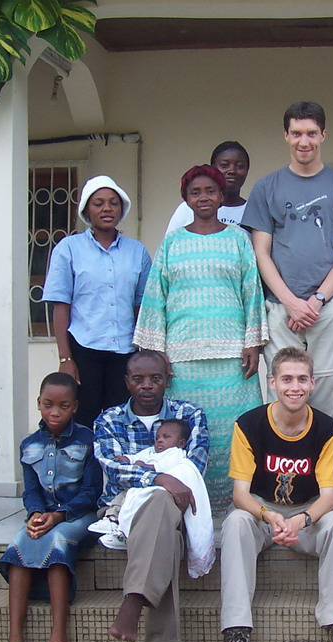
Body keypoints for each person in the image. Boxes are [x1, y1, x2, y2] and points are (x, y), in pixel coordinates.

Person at [219, 347, 333, 642]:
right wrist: (269, 516)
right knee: (235, 523)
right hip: (261, 513)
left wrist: (301, 520)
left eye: (302, 379)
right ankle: (236, 635)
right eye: (286, 379)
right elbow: (240, 494)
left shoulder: (326, 428)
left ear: (313, 383)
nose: (294, 387)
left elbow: (329, 497)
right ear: (272, 382)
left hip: (306, 515)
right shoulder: (249, 424)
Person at [134, 165, 267, 514]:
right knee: (186, 433)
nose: (204, 197)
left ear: (222, 196)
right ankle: (191, 498)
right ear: (186, 199)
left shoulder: (238, 239)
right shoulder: (172, 244)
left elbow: (251, 291)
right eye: (196, 192)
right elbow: (155, 297)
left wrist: (252, 342)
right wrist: (155, 352)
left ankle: (240, 500)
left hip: (232, 360)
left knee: (235, 433)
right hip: (181, 360)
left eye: (210, 191)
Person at [241, 101, 333, 424]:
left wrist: (317, 301)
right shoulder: (266, 187)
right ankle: (278, 471)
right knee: (283, 398)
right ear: (285, 135)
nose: (304, 141)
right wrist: (292, 303)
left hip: (329, 309)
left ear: (323, 135)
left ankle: (324, 474)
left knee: (326, 398)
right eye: (296, 133)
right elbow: (261, 252)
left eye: (311, 133)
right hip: (281, 310)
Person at [93, 350, 210, 642]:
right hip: (121, 505)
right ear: (126, 381)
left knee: (162, 508)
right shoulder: (109, 420)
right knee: (165, 530)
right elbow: (113, 471)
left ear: (167, 379)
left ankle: (133, 602)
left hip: (175, 503)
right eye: (138, 379)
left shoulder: (190, 415)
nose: (147, 386)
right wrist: (158, 478)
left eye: (155, 378)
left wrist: (159, 479)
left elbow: (193, 468)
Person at [0, 372, 102, 642]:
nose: (55, 412)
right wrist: (34, 514)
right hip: (43, 517)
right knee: (21, 543)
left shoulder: (88, 440)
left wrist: (58, 516)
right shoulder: (28, 445)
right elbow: (31, 491)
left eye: (63, 406)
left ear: (75, 407)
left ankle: (59, 638)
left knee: (56, 542)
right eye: (48, 405)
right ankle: (15, 639)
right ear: (38, 404)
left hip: (79, 517)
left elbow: (92, 493)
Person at [43, 175, 152, 427]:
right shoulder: (69, 248)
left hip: (126, 352)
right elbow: (61, 305)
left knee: (122, 422)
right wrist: (65, 359)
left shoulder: (137, 252)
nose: (107, 208)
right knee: (84, 421)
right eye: (98, 203)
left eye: (113, 203)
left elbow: (142, 306)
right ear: (86, 210)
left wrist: (145, 352)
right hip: (84, 349)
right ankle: (86, 468)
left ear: (121, 209)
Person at [89, 419, 215, 581]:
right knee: (124, 496)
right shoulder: (151, 452)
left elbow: (156, 468)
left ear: (181, 443)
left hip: (158, 494)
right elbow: (134, 459)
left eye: (166, 437)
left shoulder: (175, 454)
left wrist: (141, 466)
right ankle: (113, 520)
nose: (159, 440)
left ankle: (123, 532)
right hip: (143, 487)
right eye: (157, 438)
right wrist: (127, 460)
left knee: (136, 498)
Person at [164, 141, 252, 234]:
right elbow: (170, 244)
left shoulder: (254, 211)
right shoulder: (187, 209)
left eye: (240, 166)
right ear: (212, 168)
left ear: (247, 170)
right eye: (224, 165)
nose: (232, 171)